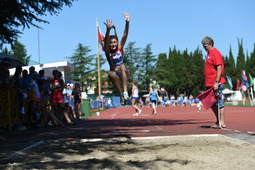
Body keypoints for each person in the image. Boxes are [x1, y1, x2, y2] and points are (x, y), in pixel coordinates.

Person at [103, 12, 130, 105]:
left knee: (122, 68)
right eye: (111, 43)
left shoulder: (120, 47)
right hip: (115, 75)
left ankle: (125, 92)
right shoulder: (107, 51)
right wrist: (108, 30)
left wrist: (127, 22)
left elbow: (125, 35)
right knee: (110, 74)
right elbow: (105, 42)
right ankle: (121, 94)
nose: (113, 44)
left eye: (114, 42)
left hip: (124, 73)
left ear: (117, 42)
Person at [201, 36, 226, 128]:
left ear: (211, 44)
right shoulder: (209, 53)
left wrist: (217, 82)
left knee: (219, 102)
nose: (204, 48)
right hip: (209, 83)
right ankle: (218, 121)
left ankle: (222, 122)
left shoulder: (215, 53)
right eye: (203, 46)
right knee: (211, 103)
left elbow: (219, 68)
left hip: (216, 83)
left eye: (205, 46)